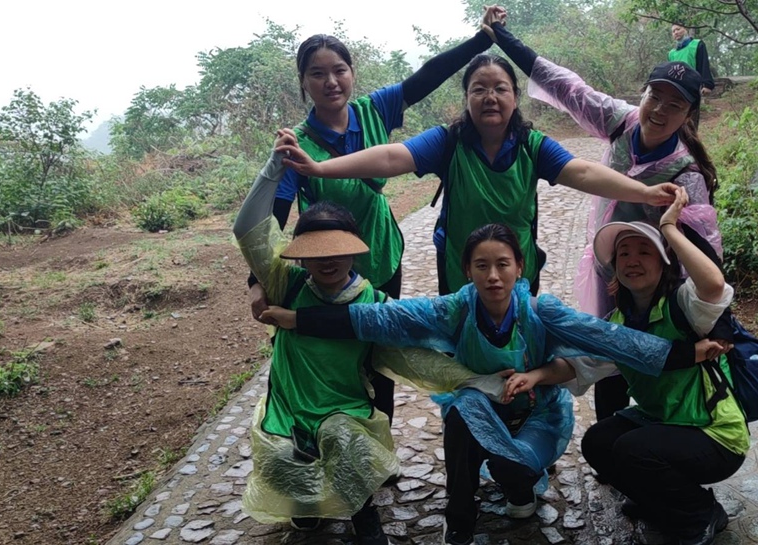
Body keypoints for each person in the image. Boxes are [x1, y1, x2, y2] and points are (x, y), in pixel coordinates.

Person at [260, 223, 725, 545]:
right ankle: (459, 518)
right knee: (463, 409)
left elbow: (611, 338)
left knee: (514, 466)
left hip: (537, 416)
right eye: (481, 265)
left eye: (503, 264)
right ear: (468, 270)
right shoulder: (454, 309)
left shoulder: (542, 311)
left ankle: (521, 487)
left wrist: (685, 354)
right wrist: (298, 319)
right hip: (482, 410)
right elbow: (378, 317)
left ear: (520, 267)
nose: (493, 276)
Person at [247, 10, 501, 423]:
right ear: (303, 82)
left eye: (339, 70)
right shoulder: (297, 143)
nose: (331, 82)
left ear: (352, 73)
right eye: (317, 74)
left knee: (381, 352)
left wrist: (481, 40)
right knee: (337, 355)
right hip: (328, 267)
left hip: (381, 254)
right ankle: (332, 433)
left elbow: (427, 76)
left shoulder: (375, 110)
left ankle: (379, 438)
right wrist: (257, 281)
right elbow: (272, 218)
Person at [275, 53, 679, 296]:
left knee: (517, 361)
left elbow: (583, 172)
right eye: (479, 89)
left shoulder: (531, 145)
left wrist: (644, 193)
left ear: (515, 98)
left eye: (500, 88)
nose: (490, 97)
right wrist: (319, 168)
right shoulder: (448, 142)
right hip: (460, 273)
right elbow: (391, 158)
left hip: (518, 271)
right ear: (466, 98)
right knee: (463, 365)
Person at [486, 18, 725, 418]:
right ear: (643, 94)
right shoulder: (621, 121)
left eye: (675, 105)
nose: (660, 110)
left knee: (649, 356)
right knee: (604, 350)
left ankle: (658, 430)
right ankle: (609, 433)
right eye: (655, 96)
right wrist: (505, 39)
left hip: (653, 282)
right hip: (608, 267)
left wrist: (699, 316)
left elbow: (704, 249)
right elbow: (566, 87)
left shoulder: (686, 174)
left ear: (689, 114)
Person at [505, 189, 746, 545]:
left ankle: (700, 512)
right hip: (662, 423)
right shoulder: (618, 323)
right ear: (615, 266)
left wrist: (669, 227)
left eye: (645, 252)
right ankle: (658, 501)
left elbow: (713, 286)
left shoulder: (683, 305)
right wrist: (534, 376)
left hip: (715, 433)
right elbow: (579, 365)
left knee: (634, 450)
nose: (633, 260)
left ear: (663, 262)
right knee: (598, 443)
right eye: (624, 253)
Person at [231, 137, 397, 541]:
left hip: (344, 409)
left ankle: (363, 513)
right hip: (288, 409)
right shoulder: (286, 283)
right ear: (300, 255)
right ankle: (305, 502)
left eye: (336, 249)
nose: (328, 260)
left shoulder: (374, 302)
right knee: (281, 456)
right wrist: (274, 167)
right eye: (317, 251)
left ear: (354, 250)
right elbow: (247, 230)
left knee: (344, 441)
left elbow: (417, 344)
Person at [668, 24, 715, 129]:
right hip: (676, 90)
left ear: (685, 29)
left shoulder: (697, 44)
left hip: (692, 88)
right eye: (673, 31)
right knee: (676, 121)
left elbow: (703, 64)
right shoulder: (672, 53)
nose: (676, 32)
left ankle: (691, 138)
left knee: (691, 120)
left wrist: (707, 84)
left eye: (678, 29)